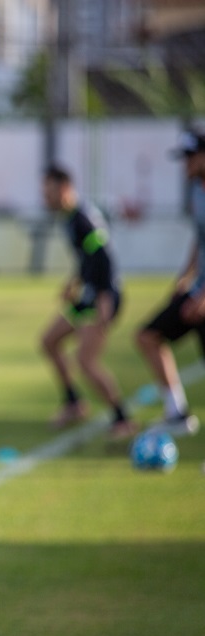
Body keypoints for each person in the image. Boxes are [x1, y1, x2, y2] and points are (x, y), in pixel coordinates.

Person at [39, 164, 137, 439]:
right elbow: (88, 258)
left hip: (102, 296)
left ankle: (122, 418)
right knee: (49, 341)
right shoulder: (69, 218)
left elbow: (104, 256)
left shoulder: (83, 218)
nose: (45, 197)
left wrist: (105, 296)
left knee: (86, 361)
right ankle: (73, 403)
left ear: (64, 188)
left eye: (48, 191)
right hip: (89, 294)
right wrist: (75, 281)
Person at [133, 130, 205, 436]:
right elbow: (200, 238)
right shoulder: (195, 191)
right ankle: (176, 413)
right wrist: (186, 276)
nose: (185, 164)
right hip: (197, 289)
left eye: (189, 157)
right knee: (148, 336)